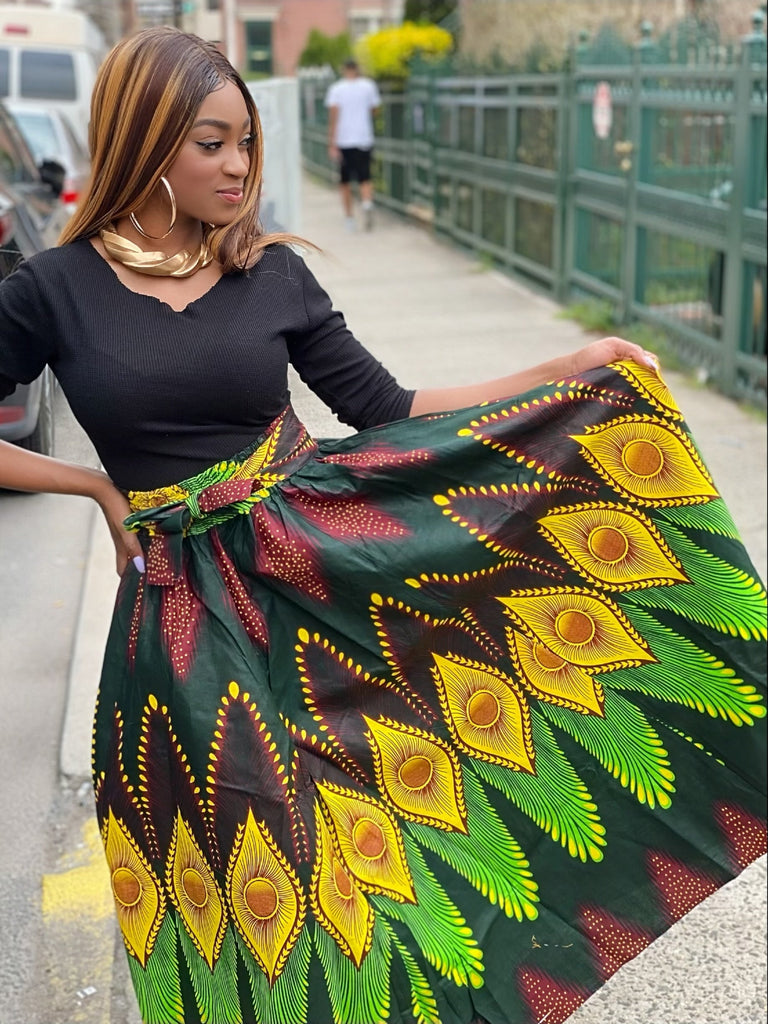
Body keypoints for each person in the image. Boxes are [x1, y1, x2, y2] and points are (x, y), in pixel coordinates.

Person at [0, 26, 765, 1024]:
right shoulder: (54, 289)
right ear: (144, 143)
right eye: (211, 143)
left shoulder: (271, 273)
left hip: (323, 578)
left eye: (247, 142)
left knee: (412, 831)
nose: (239, 166)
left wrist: (563, 370)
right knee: (259, 872)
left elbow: (386, 405)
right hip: (185, 630)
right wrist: (97, 490)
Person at [326, 57, 380, 231]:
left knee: (345, 181)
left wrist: (332, 142)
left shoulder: (337, 89)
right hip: (364, 138)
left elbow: (333, 116)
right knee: (365, 176)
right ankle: (367, 202)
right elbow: (374, 110)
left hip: (344, 140)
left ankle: (349, 218)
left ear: (344, 69)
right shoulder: (368, 86)